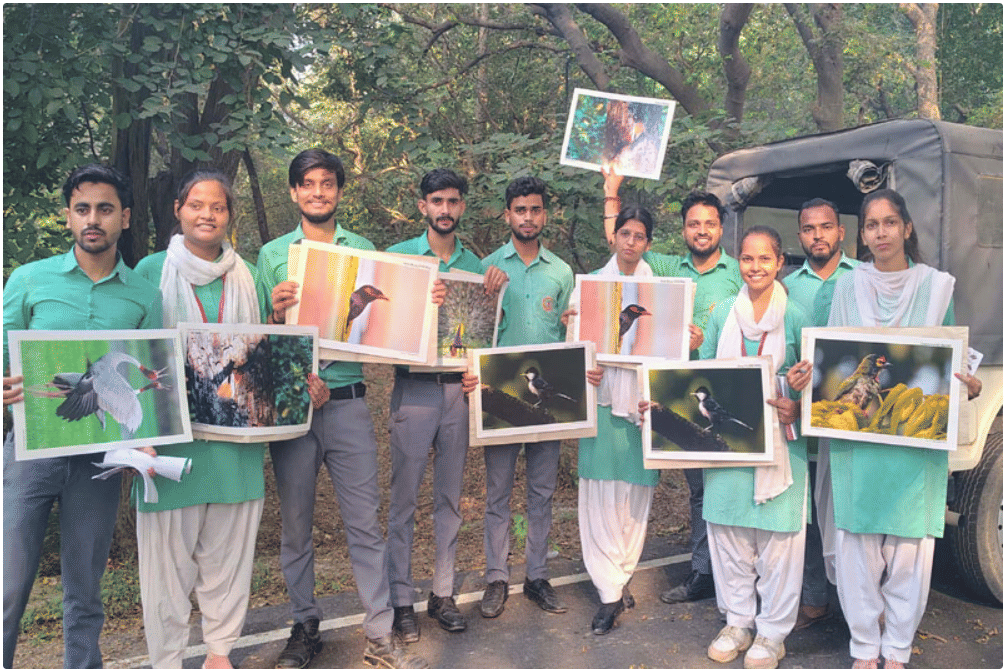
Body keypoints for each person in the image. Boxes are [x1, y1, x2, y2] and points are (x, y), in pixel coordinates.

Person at [131, 171, 325, 668]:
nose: (207, 215)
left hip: (237, 444)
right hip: (170, 444)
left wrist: (301, 379)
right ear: (178, 209)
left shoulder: (250, 273)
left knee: (228, 559)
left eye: (217, 207)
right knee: (166, 569)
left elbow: (270, 347)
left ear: (228, 216)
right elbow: (130, 352)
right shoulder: (149, 271)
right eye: (196, 205)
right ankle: (168, 660)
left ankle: (220, 653)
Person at [257, 149, 428, 669]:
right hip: (293, 407)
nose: (317, 192)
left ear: (337, 190)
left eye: (326, 184)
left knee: (363, 524)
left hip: (349, 403)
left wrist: (425, 306)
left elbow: (381, 332)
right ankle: (304, 625)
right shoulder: (270, 256)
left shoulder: (363, 249)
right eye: (307, 184)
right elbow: (262, 339)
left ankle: (379, 632)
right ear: (293, 192)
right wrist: (274, 310)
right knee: (296, 526)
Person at [3, 164, 163, 668]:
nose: (93, 219)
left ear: (126, 218)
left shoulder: (143, 295)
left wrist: (151, 435)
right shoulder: (29, 279)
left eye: (105, 209)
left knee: (85, 594)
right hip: (28, 454)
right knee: (7, 587)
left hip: (99, 461)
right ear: (68, 216)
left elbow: (153, 374)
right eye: (83, 208)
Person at [824, 189, 981, 670]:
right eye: (871, 225)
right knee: (858, 551)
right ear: (863, 235)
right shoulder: (847, 287)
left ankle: (896, 650)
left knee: (910, 553)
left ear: (907, 228)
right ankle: (864, 650)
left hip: (914, 447)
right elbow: (831, 355)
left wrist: (968, 386)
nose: (881, 233)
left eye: (889, 222)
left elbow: (952, 358)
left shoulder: (936, 288)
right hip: (860, 446)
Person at [604, 175, 742, 605]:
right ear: (683, 229)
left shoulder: (742, 272)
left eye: (710, 223)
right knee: (698, 488)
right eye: (693, 224)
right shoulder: (664, 267)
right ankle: (703, 573)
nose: (702, 230)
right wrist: (611, 190)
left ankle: (736, 576)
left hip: (730, 393)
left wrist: (712, 340)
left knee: (733, 486)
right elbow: (622, 245)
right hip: (680, 398)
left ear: (721, 228)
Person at [687, 225, 812, 669]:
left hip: (782, 452)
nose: (754, 267)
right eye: (746, 258)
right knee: (729, 538)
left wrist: (796, 402)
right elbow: (703, 375)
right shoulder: (721, 313)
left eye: (764, 259)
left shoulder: (796, 316)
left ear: (780, 263)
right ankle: (738, 622)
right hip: (728, 451)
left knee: (779, 544)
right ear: (737, 262)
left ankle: (773, 633)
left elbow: (811, 384)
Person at [383, 169, 483, 643]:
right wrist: (422, 301)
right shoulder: (397, 259)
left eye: (453, 201)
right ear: (422, 205)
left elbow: (484, 334)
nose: (445, 209)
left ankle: (442, 593)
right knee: (404, 501)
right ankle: (401, 600)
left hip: (456, 393)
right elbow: (380, 330)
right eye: (436, 201)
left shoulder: (475, 266)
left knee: (450, 499)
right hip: (414, 389)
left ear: (462, 207)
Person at [471, 176, 574, 619]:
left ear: (544, 215)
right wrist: (485, 297)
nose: (527, 217)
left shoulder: (562, 272)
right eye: (520, 209)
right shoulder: (487, 267)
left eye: (535, 209)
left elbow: (574, 336)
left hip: (545, 405)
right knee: (497, 494)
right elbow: (470, 333)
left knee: (542, 491)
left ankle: (536, 576)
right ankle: (497, 577)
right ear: (507, 214)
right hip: (499, 402)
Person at [781, 198, 859, 630]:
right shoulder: (789, 285)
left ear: (841, 232)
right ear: (800, 237)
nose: (818, 236)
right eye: (809, 229)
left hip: (850, 423)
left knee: (848, 510)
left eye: (826, 227)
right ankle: (814, 598)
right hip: (803, 418)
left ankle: (857, 604)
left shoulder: (863, 279)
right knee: (807, 512)